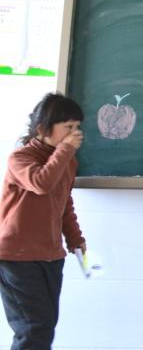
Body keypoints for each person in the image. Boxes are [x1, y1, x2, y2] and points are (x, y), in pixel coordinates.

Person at [0, 93, 87, 350]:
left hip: (50, 255)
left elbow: (64, 203)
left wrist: (75, 239)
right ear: (42, 129)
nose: (75, 134)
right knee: (33, 328)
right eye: (68, 127)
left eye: (77, 127)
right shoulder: (21, 158)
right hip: (16, 256)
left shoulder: (67, 161)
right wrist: (65, 150)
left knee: (45, 325)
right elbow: (41, 183)